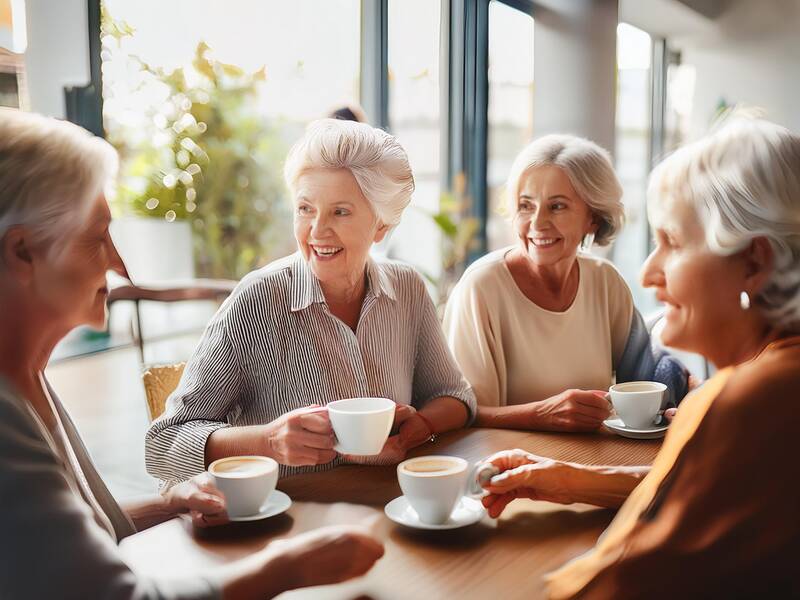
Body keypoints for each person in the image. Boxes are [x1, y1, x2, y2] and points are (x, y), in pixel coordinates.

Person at [0, 108, 384, 599]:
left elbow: (79, 537)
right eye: (98, 238)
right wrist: (286, 568)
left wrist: (173, 502)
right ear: (23, 252)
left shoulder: (28, 377)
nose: (119, 264)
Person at [479, 115, 800, 598]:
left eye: (671, 243)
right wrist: (570, 480)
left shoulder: (746, 399)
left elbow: (611, 585)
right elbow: (697, 486)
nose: (649, 274)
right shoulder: (773, 382)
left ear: (753, 263)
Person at [146, 118, 475, 486]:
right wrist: (268, 441)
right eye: (305, 209)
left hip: (386, 505)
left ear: (381, 225)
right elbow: (162, 446)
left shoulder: (407, 288)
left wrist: (423, 424)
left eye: (340, 211)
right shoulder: (257, 300)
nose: (317, 231)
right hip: (285, 522)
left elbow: (455, 395)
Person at [443, 134, 688, 433]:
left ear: (593, 218)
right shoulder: (481, 287)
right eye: (525, 205)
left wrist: (690, 391)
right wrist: (541, 414)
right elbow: (463, 413)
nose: (537, 223)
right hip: (507, 464)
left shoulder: (605, 281)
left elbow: (642, 376)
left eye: (557, 206)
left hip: (593, 461)